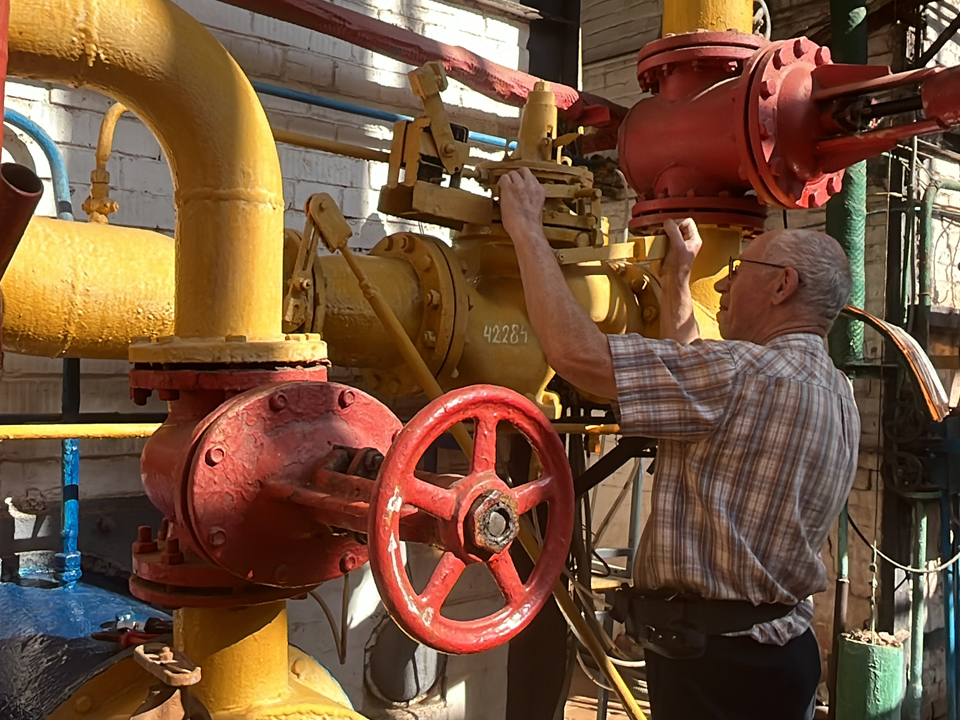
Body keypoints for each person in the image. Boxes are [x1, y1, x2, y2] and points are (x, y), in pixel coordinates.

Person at [498, 166, 859, 720]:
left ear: (783, 285)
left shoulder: (740, 374)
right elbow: (698, 385)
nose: (723, 284)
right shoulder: (837, 391)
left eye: (739, 269)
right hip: (780, 655)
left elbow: (577, 357)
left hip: (714, 671)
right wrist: (676, 280)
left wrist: (525, 229)